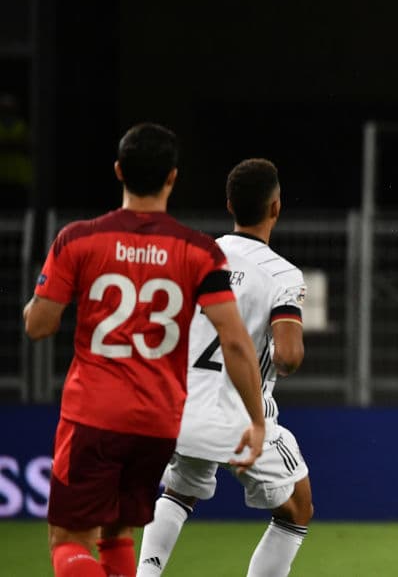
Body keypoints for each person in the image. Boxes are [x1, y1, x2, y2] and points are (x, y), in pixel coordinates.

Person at [23, 123, 266, 577]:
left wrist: (40, 303)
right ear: (172, 177)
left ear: (118, 171)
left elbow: (40, 325)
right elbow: (234, 339)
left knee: (68, 540)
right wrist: (255, 419)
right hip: (157, 422)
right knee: (117, 533)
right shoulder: (199, 251)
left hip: (93, 415)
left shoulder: (79, 240)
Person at [138, 158, 312, 577]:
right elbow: (288, 357)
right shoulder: (282, 275)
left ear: (229, 204)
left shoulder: (192, 257)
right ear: (276, 208)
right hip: (244, 415)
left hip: (183, 407)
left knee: (178, 494)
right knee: (297, 508)